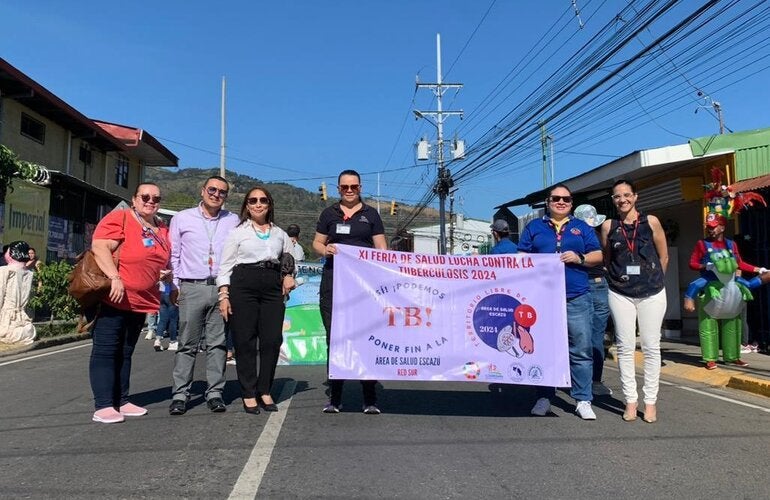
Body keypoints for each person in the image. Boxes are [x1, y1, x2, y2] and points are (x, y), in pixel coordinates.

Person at [517, 184, 603, 420]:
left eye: (566, 199)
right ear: (548, 201)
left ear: (571, 203)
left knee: (581, 350)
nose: (561, 202)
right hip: (542, 299)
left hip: (577, 296)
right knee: (544, 349)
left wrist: (580, 257)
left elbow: (598, 255)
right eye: (556, 198)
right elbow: (521, 257)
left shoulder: (581, 227)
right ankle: (544, 397)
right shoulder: (534, 227)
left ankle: (583, 399)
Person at [88, 183, 171, 424]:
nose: (150, 201)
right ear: (134, 199)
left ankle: (122, 400)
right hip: (114, 296)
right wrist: (115, 277)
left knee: (125, 351)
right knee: (106, 350)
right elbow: (100, 246)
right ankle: (103, 405)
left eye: (156, 197)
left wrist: (161, 274)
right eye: (145, 196)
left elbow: (154, 260)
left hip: (141, 301)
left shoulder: (160, 228)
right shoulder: (121, 218)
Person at [313, 169, 388, 414]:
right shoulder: (329, 214)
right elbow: (317, 243)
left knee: (366, 337)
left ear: (360, 188)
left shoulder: (371, 214)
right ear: (338, 189)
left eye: (353, 186)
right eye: (344, 187)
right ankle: (335, 398)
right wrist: (326, 251)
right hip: (333, 284)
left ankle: (369, 397)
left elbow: (382, 249)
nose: (349, 190)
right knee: (335, 338)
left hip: (364, 288)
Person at [217, 186, 296, 414]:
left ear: (269, 204)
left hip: (272, 286)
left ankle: (265, 389)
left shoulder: (280, 233)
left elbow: (289, 260)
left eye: (263, 200)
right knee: (245, 340)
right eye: (253, 201)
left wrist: (289, 276)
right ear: (247, 206)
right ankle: (249, 392)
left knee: (272, 340)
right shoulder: (237, 233)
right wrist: (224, 295)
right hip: (244, 284)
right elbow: (225, 266)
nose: (258, 204)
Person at [169, 175, 239, 415]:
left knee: (218, 344)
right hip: (191, 286)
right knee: (187, 344)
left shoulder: (233, 220)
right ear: (202, 191)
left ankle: (215, 393)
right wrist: (175, 286)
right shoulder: (182, 218)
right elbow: (174, 255)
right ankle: (180, 394)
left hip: (220, 288)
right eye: (212, 189)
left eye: (222, 192)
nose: (216, 194)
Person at [600, 180, 668, 423]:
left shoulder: (651, 222)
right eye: (617, 196)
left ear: (636, 197)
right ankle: (630, 401)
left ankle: (650, 403)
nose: (622, 200)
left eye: (627, 195)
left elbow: (664, 255)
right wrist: (617, 280)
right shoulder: (609, 226)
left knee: (651, 347)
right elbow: (607, 259)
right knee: (625, 347)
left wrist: (654, 279)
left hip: (652, 292)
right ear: (613, 200)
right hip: (620, 292)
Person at [683, 213, 767, 369]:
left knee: (733, 324)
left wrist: (758, 269)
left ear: (722, 227)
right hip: (711, 287)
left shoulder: (731, 245)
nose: (710, 230)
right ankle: (710, 358)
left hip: (730, 288)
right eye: (708, 227)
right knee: (708, 326)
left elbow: (739, 263)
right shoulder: (702, 244)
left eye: (713, 227)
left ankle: (733, 356)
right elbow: (692, 263)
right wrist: (705, 266)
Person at [573, 204, 613, 397]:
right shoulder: (599, 237)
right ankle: (595, 380)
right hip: (599, 285)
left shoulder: (572, 238)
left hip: (578, 286)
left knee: (576, 336)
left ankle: (576, 379)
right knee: (596, 336)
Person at [0, 241, 36, 345]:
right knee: (29, 330)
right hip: (22, 317)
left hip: (7, 317)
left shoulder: (5, 270)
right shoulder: (29, 273)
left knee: (6, 333)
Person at [155, 271, 179, 351]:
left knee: (162, 319)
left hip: (161, 293)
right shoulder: (172, 267)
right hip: (171, 291)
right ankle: (173, 341)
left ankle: (157, 340)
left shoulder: (161, 267)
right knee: (173, 319)